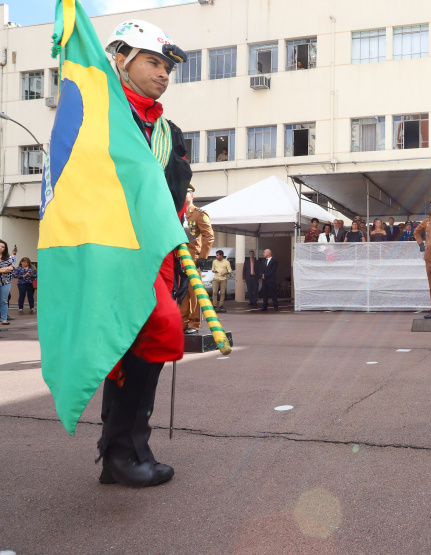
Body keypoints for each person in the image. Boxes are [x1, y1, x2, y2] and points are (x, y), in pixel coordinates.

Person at [97, 19, 192, 488]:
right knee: (152, 333)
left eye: (166, 66)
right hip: (116, 248)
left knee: (139, 346)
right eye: (153, 62)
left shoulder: (168, 130)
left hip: (161, 251)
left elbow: (176, 195)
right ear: (122, 60)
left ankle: (119, 452)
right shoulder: (103, 114)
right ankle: (126, 449)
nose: (162, 73)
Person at [181, 189, 214, 335]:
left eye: (186, 193)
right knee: (181, 293)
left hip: (193, 258)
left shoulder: (199, 214)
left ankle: (194, 324)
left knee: (193, 292)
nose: (183, 196)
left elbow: (209, 236)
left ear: (192, 196)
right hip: (179, 259)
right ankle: (182, 323)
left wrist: (203, 257)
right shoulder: (177, 214)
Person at [0, 240, 16, 325]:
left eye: (3, 247)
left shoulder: (9, 257)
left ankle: (4, 319)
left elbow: (11, 268)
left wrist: (2, 270)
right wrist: (5, 269)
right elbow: (8, 268)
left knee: (4, 301)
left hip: (5, 282)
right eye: (0, 246)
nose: (1, 248)